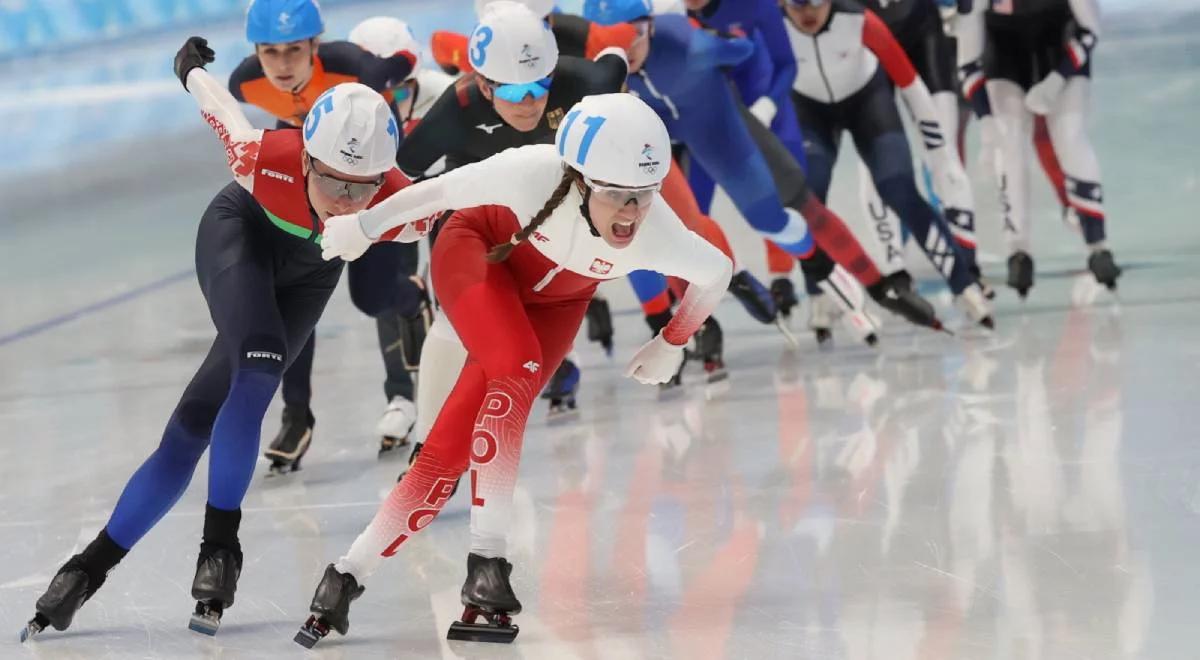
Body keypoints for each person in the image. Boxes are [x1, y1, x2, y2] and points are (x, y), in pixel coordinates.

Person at [293, 93, 733, 647]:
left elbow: (716, 272)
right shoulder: (531, 172)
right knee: (519, 368)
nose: (631, 213)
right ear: (576, 179)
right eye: (616, 195)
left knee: (448, 450)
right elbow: (440, 192)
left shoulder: (657, 232)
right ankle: (488, 563)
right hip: (477, 250)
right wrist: (365, 227)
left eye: (643, 196)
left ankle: (345, 577)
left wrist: (673, 341)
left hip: (557, 306)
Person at [20, 37, 420, 642]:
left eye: (363, 188)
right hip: (242, 239)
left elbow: (471, 202)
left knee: (196, 420)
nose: (347, 202)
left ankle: (88, 570)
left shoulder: (398, 202)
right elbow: (216, 105)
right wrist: (191, 69)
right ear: (307, 158)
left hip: (311, 276)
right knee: (257, 370)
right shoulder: (260, 155)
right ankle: (213, 547)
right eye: (336, 182)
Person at [582, 0, 946, 344]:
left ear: (652, 28)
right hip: (657, 139)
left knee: (770, 218)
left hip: (714, 128)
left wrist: (751, 83)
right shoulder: (590, 61)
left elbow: (747, 51)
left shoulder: (691, 44)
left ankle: (831, 269)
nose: (626, 50)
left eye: (635, 35)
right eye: (611, 42)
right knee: (665, 227)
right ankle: (710, 304)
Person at [228, 0, 429, 466]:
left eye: (294, 50)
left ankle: (410, 297)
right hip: (306, 179)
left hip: (364, 185)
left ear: (316, 45)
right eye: (270, 52)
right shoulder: (245, 81)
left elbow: (406, 59)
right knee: (293, 299)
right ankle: (296, 416)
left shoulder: (358, 70)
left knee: (372, 299)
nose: (281, 65)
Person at [776, 0, 993, 327]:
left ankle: (963, 285)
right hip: (810, 113)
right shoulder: (771, 26)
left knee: (898, 187)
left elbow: (910, 85)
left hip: (868, 103)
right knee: (809, 196)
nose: (807, 14)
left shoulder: (860, 21)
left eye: (816, 3)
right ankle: (820, 294)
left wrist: (939, 148)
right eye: (797, 6)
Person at [956, 0, 1120, 296]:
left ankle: (1098, 244)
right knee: (1008, 142)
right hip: (1004, 52)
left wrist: (1058, 78)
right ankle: (1018, 250)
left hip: (1060, 44)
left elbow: (1090, 29)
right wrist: (988, 122)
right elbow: (967, 61)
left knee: (1069, 136)